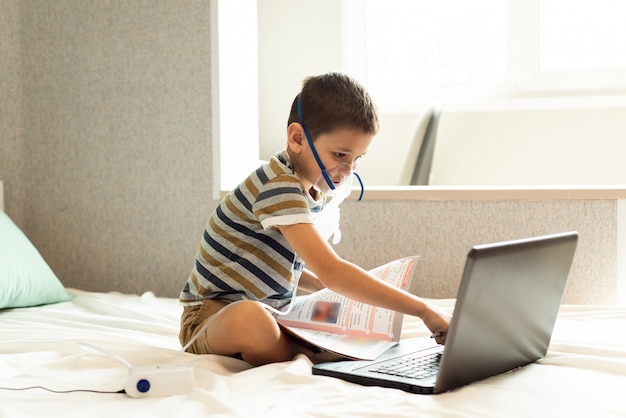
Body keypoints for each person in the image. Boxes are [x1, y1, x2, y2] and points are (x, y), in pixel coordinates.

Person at [178, 72, 450, 366]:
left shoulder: (306, 189)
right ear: (297, 139)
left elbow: (280, 265)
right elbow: (333, 271)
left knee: (303, 315)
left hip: (267, 310)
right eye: (340, 155)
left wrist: (326, 290)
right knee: (252, 320)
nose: (348, 170)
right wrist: (423, 309)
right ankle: (318, 357)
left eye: (358, 158)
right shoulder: (278, 186)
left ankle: (314, 348)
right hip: (208, 317)